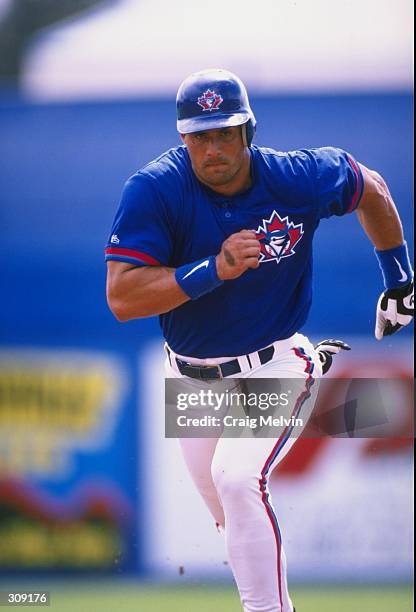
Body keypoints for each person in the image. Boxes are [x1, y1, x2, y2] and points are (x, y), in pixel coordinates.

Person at [105, 69, 414, 612]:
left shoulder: (295, 178)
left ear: (249, 130)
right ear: (183, 138)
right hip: (191, 377)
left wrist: (400, 279)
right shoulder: (155, 188)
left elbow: (373, 188)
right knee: (228, 512)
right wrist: (213, 270)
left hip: (274, 361)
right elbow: (122, 298)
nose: (214, 147)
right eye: (200, 135)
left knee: (237, 478)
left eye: (226, 132)